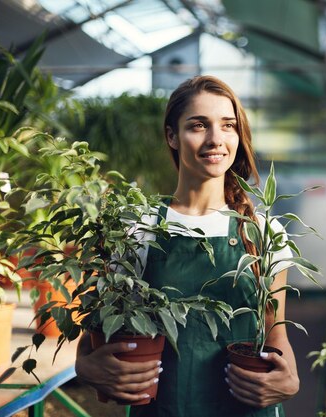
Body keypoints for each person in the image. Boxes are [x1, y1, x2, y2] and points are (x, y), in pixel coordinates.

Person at [75, 75, 299, 417]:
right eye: (199, 125)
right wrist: (86, 368)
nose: (216, 139)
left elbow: (274, 337)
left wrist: (290, 380)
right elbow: (95, 335)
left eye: (228, 126)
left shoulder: (264, 233)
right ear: (172, 136)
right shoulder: (138, 227)